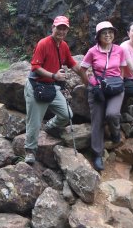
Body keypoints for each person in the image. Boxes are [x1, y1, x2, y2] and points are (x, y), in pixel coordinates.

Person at [24, 15, 89, 164]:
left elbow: (72, 64)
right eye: (58, 28)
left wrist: (85, 78)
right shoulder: (43, 43)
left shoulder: (64, 46)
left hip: (51, 87)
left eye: (64, 29)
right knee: (34, 122)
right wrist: (54, 75)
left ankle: (51, 127)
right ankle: (30, 151)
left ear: (67, 31)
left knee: (67, 114)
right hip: (37, 86)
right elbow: (35, 67)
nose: (61, 31)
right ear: (53, 27)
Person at [81, 21, 127, 171]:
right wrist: (91, 84)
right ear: (98, 36)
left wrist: (119, 81)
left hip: (115, 88)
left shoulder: (119, 50)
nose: (108, 35)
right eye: (104, 33)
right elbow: (83, 70)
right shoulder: (92, 51)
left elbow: (122, 69)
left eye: (110, 32)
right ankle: (97, 154)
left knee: (113, 114)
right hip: (98, 89)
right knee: (97, 121)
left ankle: (115, 134)